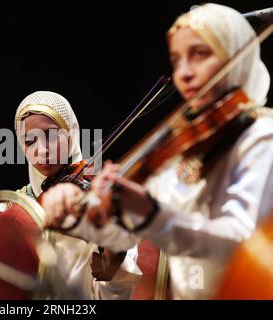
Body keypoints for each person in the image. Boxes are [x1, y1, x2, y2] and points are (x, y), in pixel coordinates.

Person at [40, 3, 273, 299]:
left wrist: (149, 212)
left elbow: (241, 246)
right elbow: (126, 236)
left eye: (200, 54)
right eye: (177, 60)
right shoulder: (190, 145)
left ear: (235, 54)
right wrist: (78, 218)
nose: (184, 73)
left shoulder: (262, 137)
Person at [10, 90, 141, 299]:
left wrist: (110, 245)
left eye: (51, 136)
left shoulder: (101, 203)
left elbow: (114, 295)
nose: (41, 150)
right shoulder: (14, 209)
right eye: (29, 141)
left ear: (71, 133)